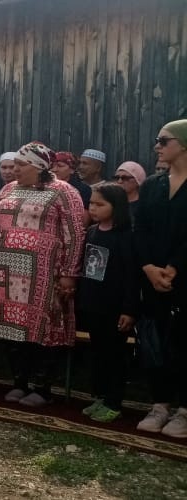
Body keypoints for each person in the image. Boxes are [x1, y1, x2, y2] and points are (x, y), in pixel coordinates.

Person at [0, 141, 85, 407]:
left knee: (44, 329)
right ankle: (20, 382)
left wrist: (69, 273)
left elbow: (75, 235)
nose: (14, 169)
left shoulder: (64, 192)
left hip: (44, 275)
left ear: (39, 167)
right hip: (8, 271)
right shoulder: (8, 189)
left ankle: (43, 387)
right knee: (12, 328)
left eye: (21, 164)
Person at [134, 119, 187, 437]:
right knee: (156, 342)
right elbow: (140, 229)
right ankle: (160, 404)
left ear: (183, 144)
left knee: (184, 342)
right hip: (153, 278)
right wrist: (148, 267)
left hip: (184, 279)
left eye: (163, 140)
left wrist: (175, 266)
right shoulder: (152, 185)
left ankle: (184, 411)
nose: (157, 146)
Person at [76, 183, 139, 422]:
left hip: (115, 307)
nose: (93, 208)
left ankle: (114, 401)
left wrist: (129, 309)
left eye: (100, 204)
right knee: (99, 354)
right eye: (91, 203)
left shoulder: (126, 236)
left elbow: (132, 276)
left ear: (116, 206)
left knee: (115, 355)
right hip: (93, 304)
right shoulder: (92, 231)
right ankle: (100, 396)